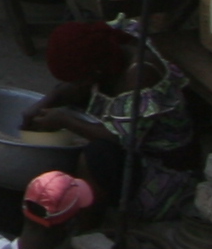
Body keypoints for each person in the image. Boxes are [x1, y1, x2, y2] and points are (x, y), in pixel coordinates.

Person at [23, 21, 202, 218]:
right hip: (134, 140)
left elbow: (123, 138)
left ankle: (87, 221)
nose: (75, 84)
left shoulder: (140, 76)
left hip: (162, 169)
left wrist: (65, 121)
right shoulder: (106, 47)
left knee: (96, 155)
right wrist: (47, 101)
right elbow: (74, 88)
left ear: (97, 71)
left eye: (80, 79)